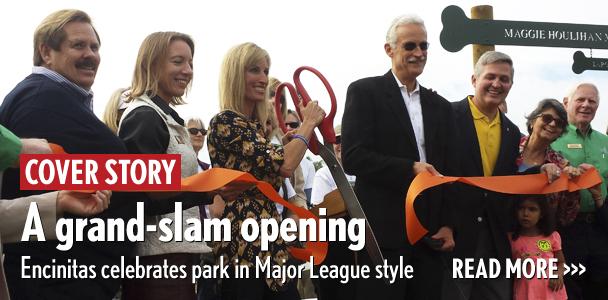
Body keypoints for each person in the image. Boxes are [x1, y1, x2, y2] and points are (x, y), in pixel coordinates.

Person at [0, 10, 141, 299]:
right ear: (46, 52)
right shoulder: (41, 101)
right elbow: (34, 195)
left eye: (95, 47)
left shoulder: (56, 98)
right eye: (78, 45)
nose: (90, 55)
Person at [341, 14, 457, 300]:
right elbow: (353, 157)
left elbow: (451, 169)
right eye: (410, 46)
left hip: (430, 236)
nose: (419, 53)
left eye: (424, 46)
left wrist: (448, 224)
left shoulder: (441, 106)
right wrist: (410, 168)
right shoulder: (365, 92)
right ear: (389, 50)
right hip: (383, 234)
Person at [207, 42, 324, 300]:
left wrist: (288, 141)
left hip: (272, 248)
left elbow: (267, 163)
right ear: (236, 74)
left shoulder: (253, 128)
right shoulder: (226, 121)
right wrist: (308, 124)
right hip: (242, 250)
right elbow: (285, 165)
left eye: (265, 71)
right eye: (254, 70)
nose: (263, 78)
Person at [447, 51, 559, 300]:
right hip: (455, 235)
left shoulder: (511, 130)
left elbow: (509, 178)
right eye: (491, 77)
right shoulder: (447, 117)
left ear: (511, 85)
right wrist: (442, 225)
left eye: (504, 79)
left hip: (496, 237)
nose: (497, 84)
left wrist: (538, 171)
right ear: (474, 80)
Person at [117, 31, 213, 300]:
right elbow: (141, 197)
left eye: (190, 63)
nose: (187, 71)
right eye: (178, 62)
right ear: (152, 64)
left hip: (173, 256)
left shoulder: (164, 116)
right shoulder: (145, 117)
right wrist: (208, 190)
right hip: (155, 262)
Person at [551, 83, 608, 299]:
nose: (586, 105)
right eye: (580, 100)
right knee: (568, 287)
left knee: (601, 286)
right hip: (565, 231)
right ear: (566, 103)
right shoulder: (553, 138)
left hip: (601, 228)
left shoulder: (605, 142)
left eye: (592, 101)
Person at [509, 195, 567, 300]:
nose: (525, 214)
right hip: (525, 294)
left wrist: (558, 274)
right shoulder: (512, 239)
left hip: (551, 293)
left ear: (542, 214)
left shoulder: (552, 236)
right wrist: (518, 265)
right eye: (521, 208)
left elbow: (561, 263)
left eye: (532, 209)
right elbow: (507, 269)